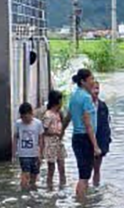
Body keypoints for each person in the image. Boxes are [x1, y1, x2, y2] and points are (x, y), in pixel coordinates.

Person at [68, 68, 101, 200]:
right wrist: (95, 146)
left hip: (76, 138)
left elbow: (69, 115)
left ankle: (82, 202)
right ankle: (82, 204)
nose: (93, 82)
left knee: (84, 173)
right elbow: (88, 124)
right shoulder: (86, 98)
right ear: (83, 81)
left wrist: (62, 131)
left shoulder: (74, 95)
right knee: (85, 176)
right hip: (85, 138)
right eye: (91, 79)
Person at [12, 102, 44, 191]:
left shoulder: (38, 123)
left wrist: (40, 152)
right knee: (25, 174)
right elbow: (15, 137)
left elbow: (41, 138)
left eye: (27, 117)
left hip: (35, 153)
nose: (25, 120)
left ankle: (32, 191)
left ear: (31, 114)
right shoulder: (18, 124)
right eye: (23, 118)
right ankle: (24, 192)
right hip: (23, 154)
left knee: (34, 175)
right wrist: (14, 152)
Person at [42, 90, 67, 188]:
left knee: (62, 166)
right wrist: (55, 133)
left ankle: (62, 186)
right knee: (51, 168)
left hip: (59, 143)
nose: (62, 103)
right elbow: (43, 131)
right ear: (57, 101)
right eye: (61, 100)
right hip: (51, 144)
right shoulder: (48, 115)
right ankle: (50, 187)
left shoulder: (58, 114)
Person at [91, 80, 112, 186]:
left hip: (100, 139)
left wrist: (107, 140)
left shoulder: (103, 105)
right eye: (94, 88)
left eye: (97, 88)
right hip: (87, 140)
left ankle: (96, 186)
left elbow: (106, 124)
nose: (96, 91)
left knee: (97, 168)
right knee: (86, 168)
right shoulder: (85, 105)